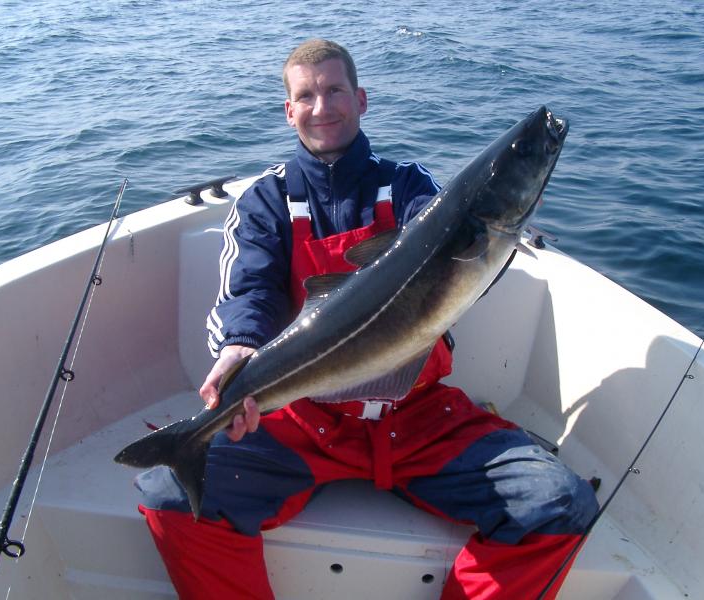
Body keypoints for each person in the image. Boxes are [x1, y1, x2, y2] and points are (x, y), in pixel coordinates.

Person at [135, 39, 598, 599]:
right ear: (288, 110)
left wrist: (498, 234)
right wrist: (239, 348)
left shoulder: (412, 190)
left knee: (560, 504)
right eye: (305, 95)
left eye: (334, 91)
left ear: (361, 99)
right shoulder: (265, 201)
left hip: (421, 420)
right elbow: (249, 289)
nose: (321, 106)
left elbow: (456, 266)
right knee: (170, 495)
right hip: (304, 422)